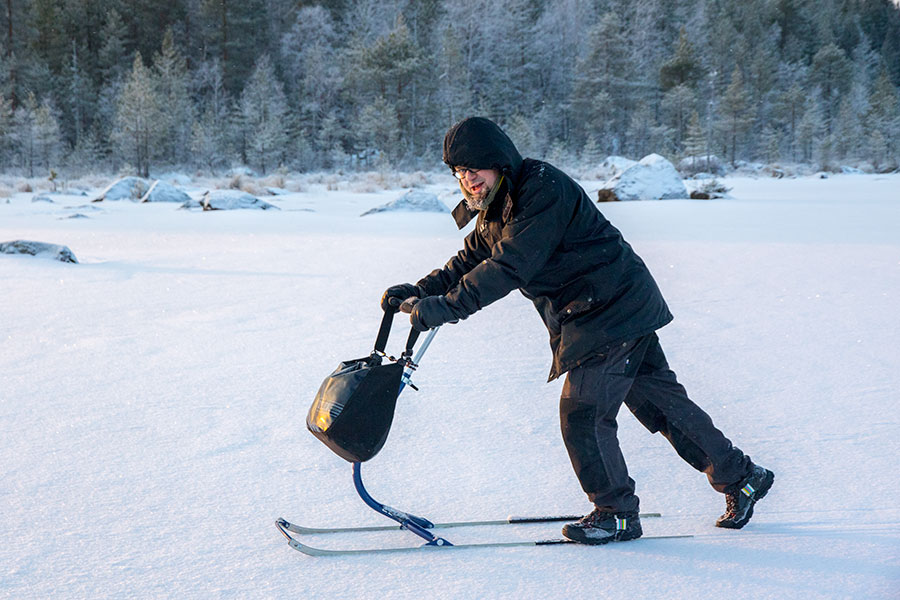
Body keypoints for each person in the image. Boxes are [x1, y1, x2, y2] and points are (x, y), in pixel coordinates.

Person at [381, 116, 773, 545]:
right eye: (459, 171)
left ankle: (616, 512)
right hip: (605, 309)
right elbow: (471, 259)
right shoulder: (495, 207)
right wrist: (421, 290)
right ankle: (742, 477)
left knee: (583, 413)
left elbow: (509, 265)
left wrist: (447, 308)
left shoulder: (541, 189)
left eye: (475, 167)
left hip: (609, 308)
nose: (468, 178)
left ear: (499, 161)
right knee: (660, 404)